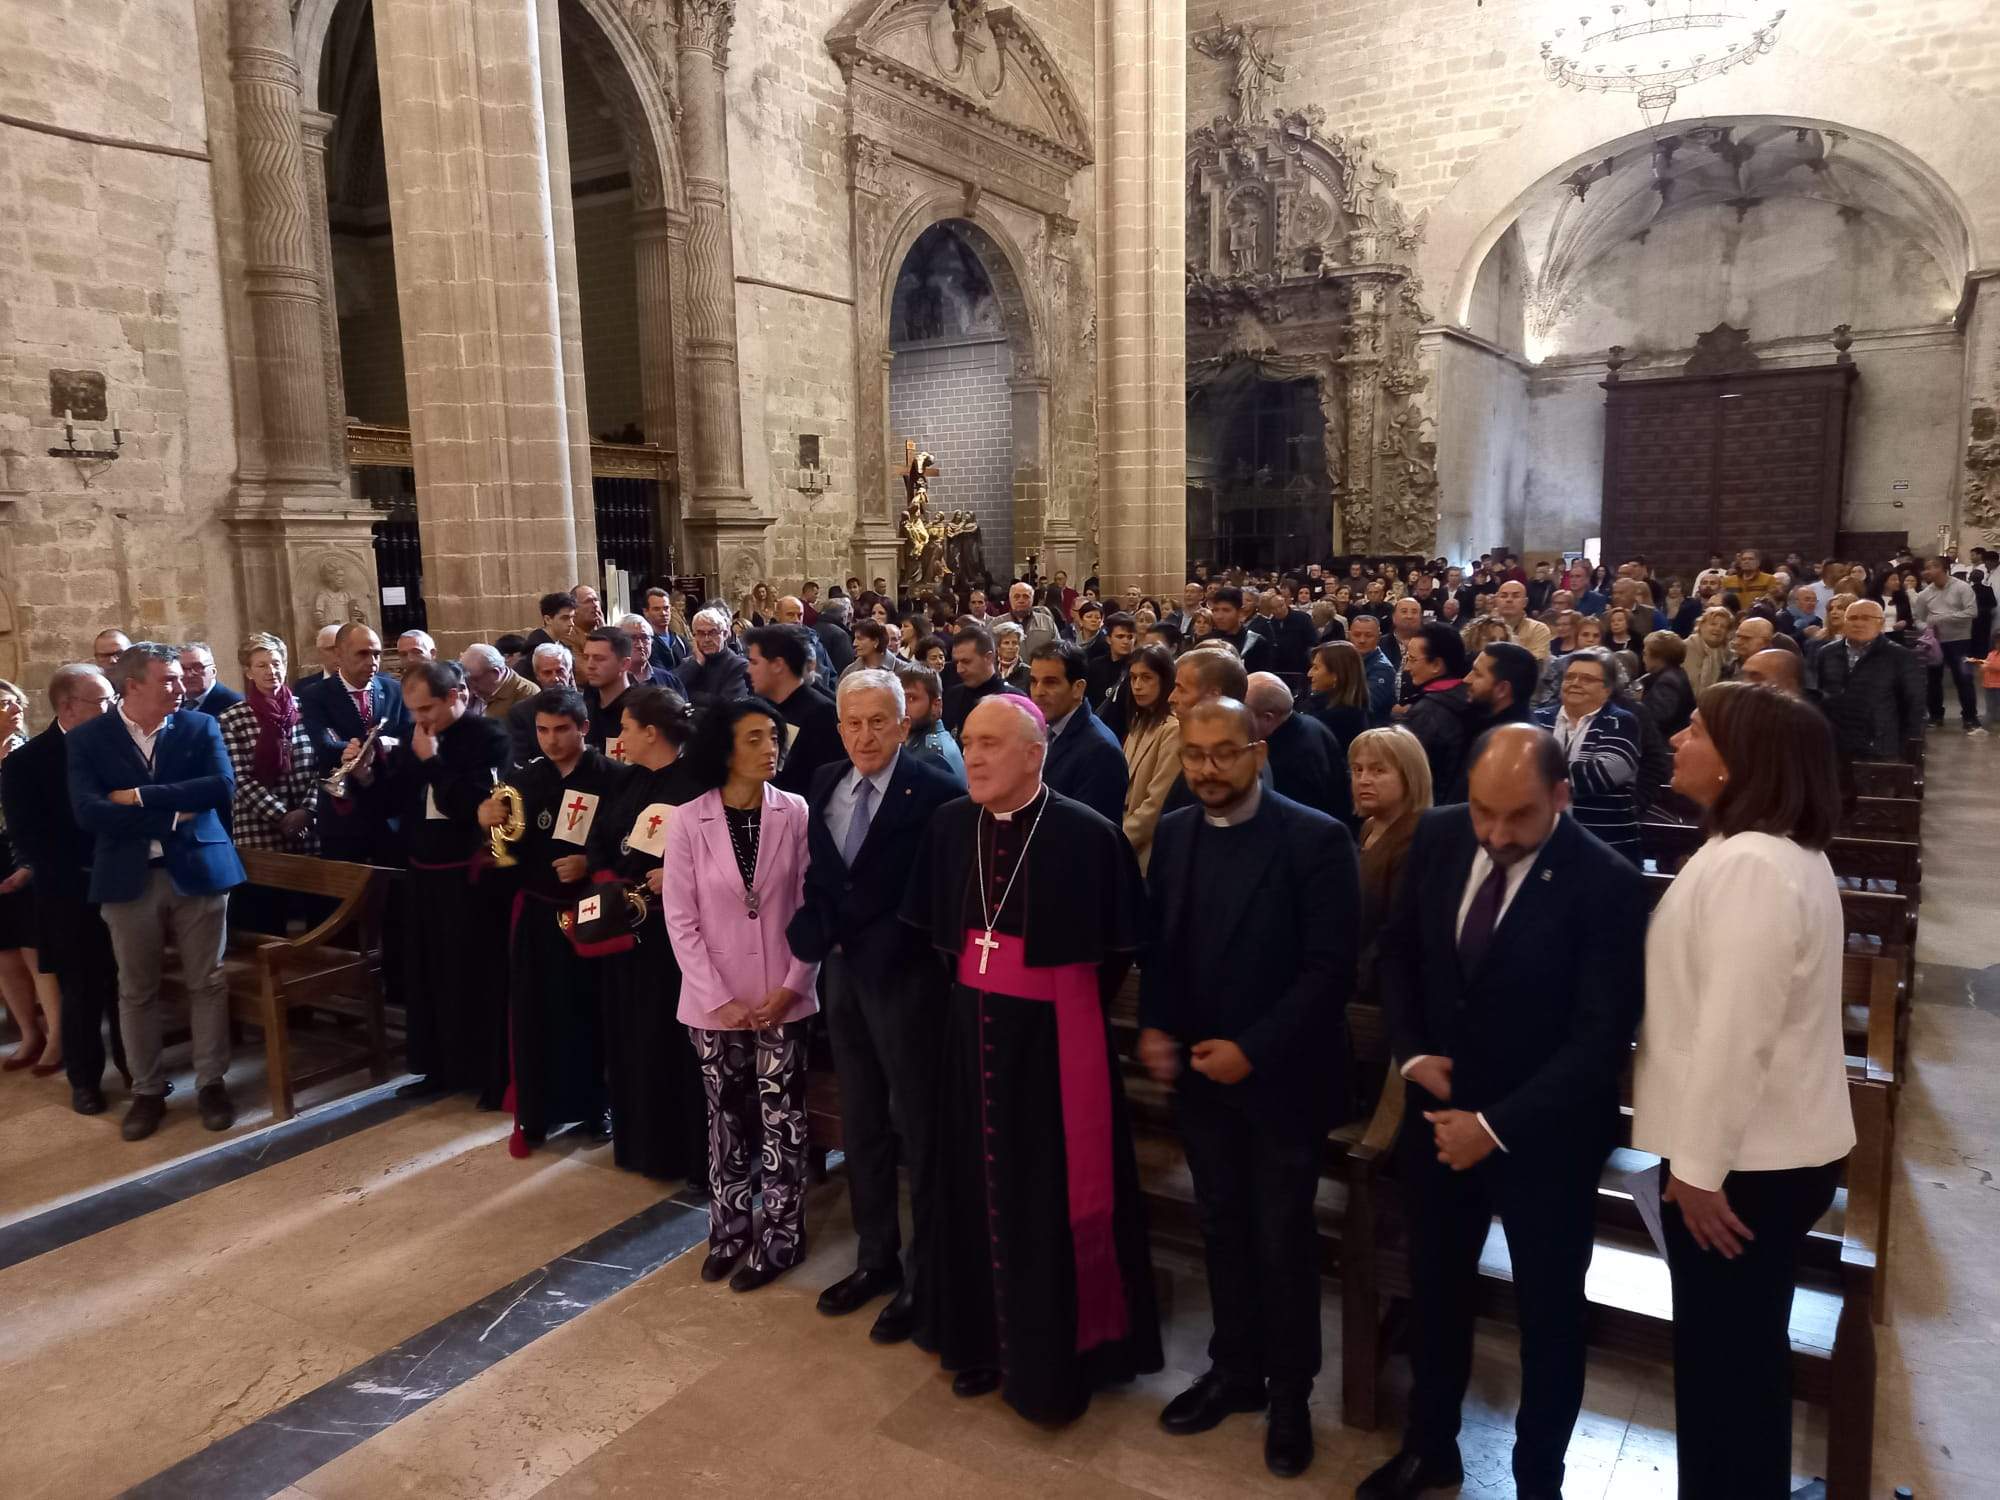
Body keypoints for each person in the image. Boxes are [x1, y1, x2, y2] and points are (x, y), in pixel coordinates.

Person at [1360, 725, 1648, 1500]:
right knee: (1436, 1289)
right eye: (1484, 811)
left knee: (1550, 1317)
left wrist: (1492, 1127)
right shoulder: (1443, 833)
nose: (1495, 833)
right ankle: (1431, 1447)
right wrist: (1413, 1052)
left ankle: (1537, 1479)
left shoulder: (1608, 883)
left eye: (1517, 817)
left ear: (1561, 797)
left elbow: (1599, 1041)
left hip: (1544, 1137)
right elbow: (1398, 954)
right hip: (1438, 1119)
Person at [900, 694, 1162, 1423]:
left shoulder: (1088, 835)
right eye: (968, 741)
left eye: (990, 744)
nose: (973, 757)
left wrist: (1048, 994)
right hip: (968, 1032)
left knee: (1047, 1192)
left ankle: (1058, 1362)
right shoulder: (950, 826)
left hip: (1054, 1044)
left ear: (1034, 753)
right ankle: (982, 1344)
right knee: (973, 1187)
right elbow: (935, 937)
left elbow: (1114, 953)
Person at [1634, 683, 1855, 1497]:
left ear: (1738, 761)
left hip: (1741, 1170)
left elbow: (1738, 1030)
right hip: (1755, 1159)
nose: (1678, 739)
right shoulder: (1763, 851)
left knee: (1725, 1364)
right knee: (1735, 1356)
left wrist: (1696, 1170)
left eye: (1694, 729)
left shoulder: (1756, 865)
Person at [1137, 698, 1357, 1478]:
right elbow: (1160, 944)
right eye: (1194, 754)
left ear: (1257, 754)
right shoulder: (1175, 832)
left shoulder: (1315, 839)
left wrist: (1252, 1051)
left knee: (1282, 1239)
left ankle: (1291, 1392)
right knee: (1221, 1225)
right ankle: (1235, 1371)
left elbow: (1330, 970)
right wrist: (1157, 1024)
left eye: (1223, 753)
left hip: (1283, 1080)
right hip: (1201, 1074)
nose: (1206, 769)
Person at [786, 669, 962, 1342]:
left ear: (903, 724)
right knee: (861, 1120)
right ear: (839, 728)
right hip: (842, 977)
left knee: (915, 1124)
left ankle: (925, 1276)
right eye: (854, 723)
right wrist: (814, 928)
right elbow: (822, 873)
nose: (865, 735)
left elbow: (934, 899)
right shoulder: (826, 781)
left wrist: (876, 938)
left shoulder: (937, 792)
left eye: (878, 722)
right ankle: (874, 1258)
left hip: (906, 980)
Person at [662, 697, 819, 1292]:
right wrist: (717, 997)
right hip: (714, 1000)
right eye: (754, 738)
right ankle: (728, 1230)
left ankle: (782, 1235)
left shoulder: (796, 811)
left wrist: (792, 986)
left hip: (784, 992)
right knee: (725, 1118)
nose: (769, 747)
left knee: (784, 1121)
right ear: (724, 750)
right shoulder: (688, 820)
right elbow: (681, 919)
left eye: (773, 736)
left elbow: (809, 907)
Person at [69, 642, 247, 1141]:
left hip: (199, 869)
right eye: (168, 679)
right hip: (129, 877)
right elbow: (88, 811)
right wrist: (171, 811)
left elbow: (219, 788)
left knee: (207, 982)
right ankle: (148, 1090)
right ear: (133, 686)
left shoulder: (199, 725)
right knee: (136, 989)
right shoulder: (89, 740)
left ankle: (212, 1083)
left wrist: (140, 797)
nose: (180, 685)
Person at [576, 683, 707, 1182]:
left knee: (671, 1041)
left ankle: (685, 1151)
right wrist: (608, 880)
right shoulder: (626, 781)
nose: (620, 736)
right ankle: (641, 1145)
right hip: (623, 933)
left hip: (673, 942)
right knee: (629, 1037)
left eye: (627, 728)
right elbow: (602, 840)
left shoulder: (697, 784)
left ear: (651, 732)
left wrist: (674, 873)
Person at [480, 687, 618, 1154]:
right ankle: (537, 1112)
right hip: (537, 914)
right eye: (543, 730)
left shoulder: (611, 778)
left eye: (562, 730)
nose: (552, 740)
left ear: (583, 728)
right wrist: (488, 822)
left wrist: (588, 861)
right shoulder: (525, 781)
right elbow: (508, 850)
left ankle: (595, 1105)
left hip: (589, 914)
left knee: (589, 1012)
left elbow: (627, 841)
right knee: (535, 1016)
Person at [369, 658, 512, 1104]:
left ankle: (490, 1074)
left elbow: (476, 806)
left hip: (467, 879)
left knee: (473, 977)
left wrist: (432, 763)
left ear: (455, 696)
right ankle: (439, 1067)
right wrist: (364, 775)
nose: (419, 720)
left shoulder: (488, 738)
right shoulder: (419, 738)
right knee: (427, 974)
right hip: (422, 873)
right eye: (412, 711)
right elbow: (396, 800)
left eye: (426, 709)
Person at [3, 665, 125, 1112]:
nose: (112, 708)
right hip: (68, 891)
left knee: (126, 986)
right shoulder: (26, 762)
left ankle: (135, 1073)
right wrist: (83, 868)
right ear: (69, 707)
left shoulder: (120, 747)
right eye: (102, 701)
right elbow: (28, 835)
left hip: (124, 882)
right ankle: (85, 1081)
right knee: (82, 989)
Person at [216, 635, 319, 903]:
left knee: (315, 910)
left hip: (308, 828)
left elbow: (323, 766)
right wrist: (283, 817)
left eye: (276, 663)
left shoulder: (307, 709)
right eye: (261, 665)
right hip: (258, 829)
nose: (270, 671)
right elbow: (239, 778)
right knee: (266, 915)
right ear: (248, 671)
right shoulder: (232, 719)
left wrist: (308, 811)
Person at [298, 623, 411, 863]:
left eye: (377, 654)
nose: (372, 661)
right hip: (343, 816)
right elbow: (324, 745)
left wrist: (382, 744)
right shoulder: (315, 694)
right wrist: (358, 752)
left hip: (388, 809)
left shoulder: (394, 690)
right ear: (339, 654)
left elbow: (409, 739)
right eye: (363, 653)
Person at [1348, 726, 1431, 1021]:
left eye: (1378, 770)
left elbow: (1396, 932)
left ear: (1409, 776)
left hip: (1383, 999)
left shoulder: (1417, 839)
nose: (1363, 780)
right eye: (1357, 770)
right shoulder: (1370, 826)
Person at [1532, 646, 1643, 864]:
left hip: (1607, 846)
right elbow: (1516, 769)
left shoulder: (1621, 721)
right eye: (1570, 677)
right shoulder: (1538, 718)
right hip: (1541, 843)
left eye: (1586, 679)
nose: (1575, 683)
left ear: (1607, 689)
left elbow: (1601, 775)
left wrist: (1537, 777)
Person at [0, 683, 50, 1075]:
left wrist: (28, 863)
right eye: (5, 703)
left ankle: (56, 1034)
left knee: (36, 950)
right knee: (4, 953)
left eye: (18, 700)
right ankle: (28, 1033)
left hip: (24, 857)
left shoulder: (28, 752)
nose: (15, 707)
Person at [1027, 641, 1128, 825]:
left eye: (1050, 682)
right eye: (1034, 681)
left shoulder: (1100, 750)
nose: (1038, 692)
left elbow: (1092, 831)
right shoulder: (1041, 731)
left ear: (1078, 688)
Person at [743, 625, 845, 796]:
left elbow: (830, 783)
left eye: (754, 662)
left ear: (777, 665)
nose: (748, 670)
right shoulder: (761, 708)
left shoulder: (821, 713)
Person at [1244, 671, 1350, 823]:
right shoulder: (1313, 725)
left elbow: (1291, 820)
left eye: (1244, 711)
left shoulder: (1287, 759)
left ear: (1268, 717)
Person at [1119, 644, 1181, 873]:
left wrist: (1119, 839)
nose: (1137, 685)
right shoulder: (1139, 721)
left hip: (1147, 850)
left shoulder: (1173, 729)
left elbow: (1157, 803)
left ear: (1165, 680)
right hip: (1124, 832)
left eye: (1146, 678)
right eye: (1133, 677)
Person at [1399, 623, 1478, 803]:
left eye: (1412, 659)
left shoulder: (1427, 712)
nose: (1407, 668)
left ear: (1436, 665)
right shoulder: (1472, 697)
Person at [1913, 555, 1984, 731]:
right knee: (1933, 680)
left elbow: (1972, 612)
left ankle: (1970, 717)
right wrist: (1927, 628)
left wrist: (1943, 618)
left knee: (1964, 678)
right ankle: (1936, 715)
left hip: (1960, 640)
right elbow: (1918, 619)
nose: (1927, 571)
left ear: (1943, 568)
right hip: (1935, 643)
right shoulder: (1924, 594)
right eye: (1925, 568)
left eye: (1932, 567)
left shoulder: (1962, 587)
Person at [943, 622, 1027, 735]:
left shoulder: (1014, 701)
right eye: (957, 662)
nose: (959, 669)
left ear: (989, 658)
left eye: (966, 662)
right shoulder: (952, 696)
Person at [579, 625, 642, 757]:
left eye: (599, 658)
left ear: (624, 664)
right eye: (586, 657)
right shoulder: (584, 706)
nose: (590, 665)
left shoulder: (641, 709)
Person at [675, 607, 751, 716]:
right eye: (701, 633)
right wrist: (697, 663)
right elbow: (671, 692)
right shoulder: (689, 663)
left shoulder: (738, 665)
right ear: (694, 636)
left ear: (725, 634)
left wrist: (691, 695)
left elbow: (729, 706)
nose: (707, 639)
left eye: (713, 632)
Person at [896, 663, 965, 781]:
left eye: (912, 698)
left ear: (936, 705)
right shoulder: (917, 741)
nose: (903, 706)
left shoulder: (933, 757)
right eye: (899, 698)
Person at [1463, 640, 1537, 737]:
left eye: (1477, 674)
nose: (1466, 679)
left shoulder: (1511, 743)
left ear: (1502, 689)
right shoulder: (1479, 715)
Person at [1636, 630, 1694, 740]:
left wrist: (1637, 704)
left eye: (1645, 653)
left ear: (1659, 658)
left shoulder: (1668, 682)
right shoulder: (1675, 674)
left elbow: (1656, 718)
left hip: (1667, 745)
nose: (1643, 658)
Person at [459, 642, 537, 724]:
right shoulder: (472, 693)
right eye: (466, 679)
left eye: (475, 679)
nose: (470, 686)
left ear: (496, 673)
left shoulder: (526, 694)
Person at [1347, 615, 1398, 725]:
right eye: (1357, 635)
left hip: (1372, 729)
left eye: (1368, 635)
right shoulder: (1344, 659)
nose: (1362, 640)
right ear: (1349, 635)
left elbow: (1365, 704)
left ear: (1379, 637)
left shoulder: (1383, 668)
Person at [175, 643, 242, 719]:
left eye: (197, 667)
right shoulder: (171, 702)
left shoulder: (234, 706)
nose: (188, 675)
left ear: (213, 672)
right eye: (181, 668)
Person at [1490, 580, 1552, 661]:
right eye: (1503, 596)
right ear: (1496, 601)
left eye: (1515, 596)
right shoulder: (1484, 628)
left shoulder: (1538, 629)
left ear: (1525, 602)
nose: (1509, 600)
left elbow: (1535, 663)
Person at [521, 591, 580, 658]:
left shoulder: (560, 645)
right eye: (564, 618)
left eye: (572, 617)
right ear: (548, 620)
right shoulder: (536, 651)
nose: (571, 623)